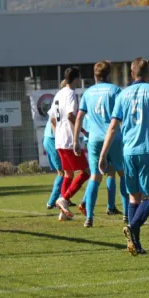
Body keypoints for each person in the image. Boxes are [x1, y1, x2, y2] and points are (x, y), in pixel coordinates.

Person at [99, 58, 149, 256]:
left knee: (133, 197)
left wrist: (103, 154)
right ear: (148, 74)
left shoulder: (123, 94)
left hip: (128, 152)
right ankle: (132, 227)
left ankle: (135, 245)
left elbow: (113, 126)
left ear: (132, 74)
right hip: (148, 150)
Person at [73, 60, 126, 228]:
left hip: (94, 140)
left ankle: (89, 217)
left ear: (94, 76)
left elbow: (79, 116)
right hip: (114, 139)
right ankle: (127, 214)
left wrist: (75, 140)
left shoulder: (88, 93)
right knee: (122, 174)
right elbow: (122, 115)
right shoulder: (116, 90)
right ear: (109, 74)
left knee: (95, 176)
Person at [53, 67, 90, 220]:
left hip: (59, 140)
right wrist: (82, 131)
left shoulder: (59, 93)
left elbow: (53, 118)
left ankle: (63, 212)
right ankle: (65, 198)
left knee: (68, 173)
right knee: (86, 172)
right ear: (76, 78)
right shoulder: (70, 94)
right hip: (68, 140)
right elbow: (70, 115)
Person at [43, 81, 66, 210]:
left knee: (64, 170)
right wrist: (58, 136)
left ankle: (63, 198)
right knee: (62, 172)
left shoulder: (59, 99)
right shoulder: (61, 99)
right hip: (52, 139)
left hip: (50, 139)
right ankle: (52, 202)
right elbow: (53, 120)